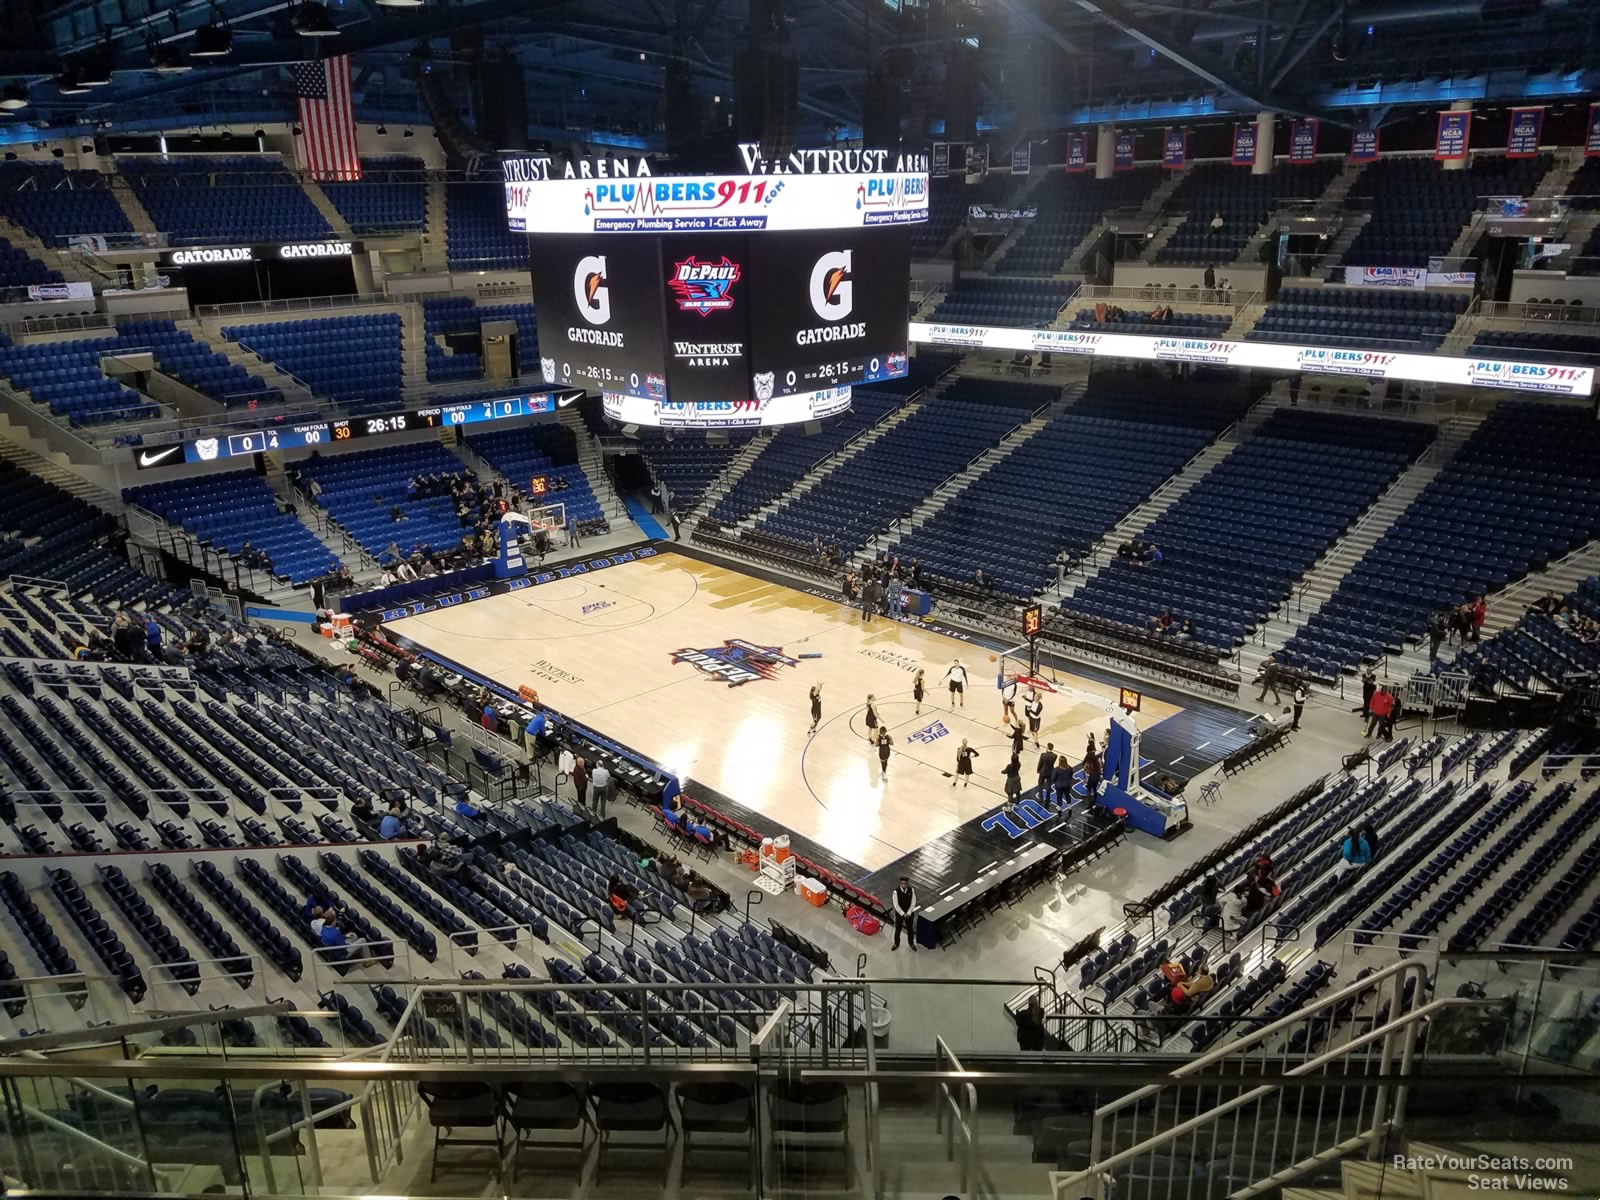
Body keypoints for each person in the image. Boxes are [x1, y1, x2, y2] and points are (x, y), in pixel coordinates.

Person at [890, 875, 918, 951]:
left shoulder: (911, 890)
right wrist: (903, 914)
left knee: (910, 930)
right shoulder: (896, 892)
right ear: (900, 883)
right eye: (902, 883)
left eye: (905, 884)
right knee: (898, 929)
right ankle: (896, 943)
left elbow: (913, 902)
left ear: (907, 884)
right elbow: (896, 905)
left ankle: (911, 943)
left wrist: (908, 913)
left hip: (909, 915)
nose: (904, 885)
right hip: (900, 915)